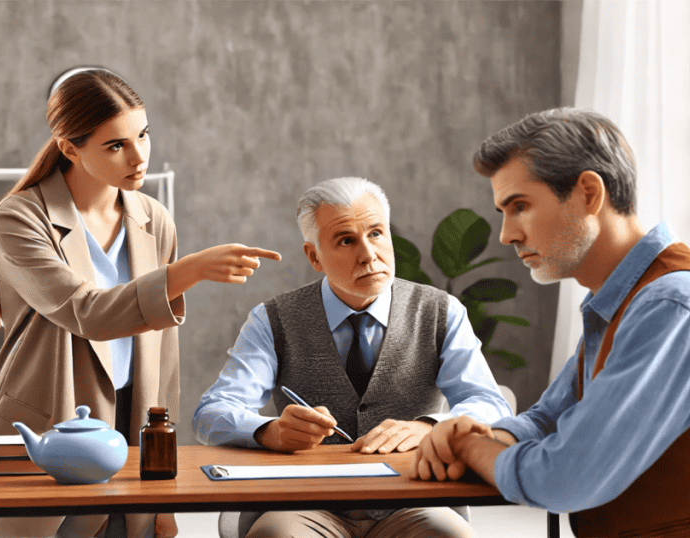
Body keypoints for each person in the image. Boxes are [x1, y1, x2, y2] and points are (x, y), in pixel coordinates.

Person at [409, 108, 690, 537]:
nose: (507, 234)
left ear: (588, 193)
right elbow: (548, 417)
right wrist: (483, 432)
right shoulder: (625, 300)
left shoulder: (673, 304)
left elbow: (562, 477)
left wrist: (470, 445)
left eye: (520, 206)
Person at [0, 69, 281, 538]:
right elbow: (87, 312)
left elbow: (164, 359)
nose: (139, 156)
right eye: (116, 145)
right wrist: (191, 270)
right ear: (69, 147)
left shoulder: (153, 218)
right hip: (50, 424)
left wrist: (164, 490)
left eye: (143, 135)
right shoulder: (18, 218)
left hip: (132, 424)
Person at [193, 177, 513, 538]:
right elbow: (211, 413)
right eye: (346, 240)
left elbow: (492, 406)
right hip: (303, 504)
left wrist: (428, 427)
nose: (368, 254)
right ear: (314, 256)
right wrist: (270, 431)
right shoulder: (273, 319)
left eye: (376, 233)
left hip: (413, 499)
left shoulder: (441, 312)